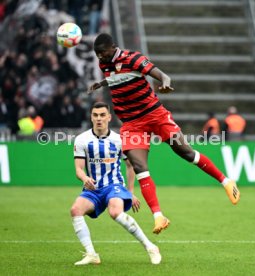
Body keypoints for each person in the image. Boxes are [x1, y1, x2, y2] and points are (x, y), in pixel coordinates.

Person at [89, 33, 241, 234]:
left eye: (102, 53)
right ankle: (158, 216)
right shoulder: (105, 64)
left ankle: (226, 181)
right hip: (132, 123)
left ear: (113, 47)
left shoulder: (133, 58)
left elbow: (161, 75)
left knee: (186, 152)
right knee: (139, 166)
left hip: (155, 115)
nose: (100, 57)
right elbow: (117, 78)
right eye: (97, 54)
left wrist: (166, 83)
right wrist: (101, 84)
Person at [71, 102, 161, 266]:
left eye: (102, 115)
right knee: (75, 210)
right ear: (91, 117)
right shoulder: (81, 139)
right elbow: (78, 169)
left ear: (109, 117)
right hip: (93, 189)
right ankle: (92, 254)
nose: (99, 119)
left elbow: (130, 166)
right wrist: (85, 179)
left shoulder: (119, 140)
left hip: (114, 186)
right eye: (95, 115)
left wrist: (130, 191)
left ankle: (150, 247)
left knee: (115, 212)